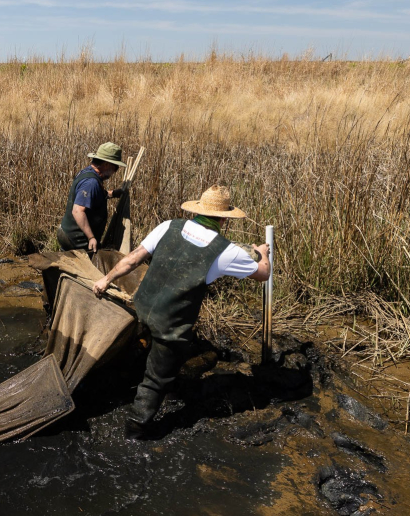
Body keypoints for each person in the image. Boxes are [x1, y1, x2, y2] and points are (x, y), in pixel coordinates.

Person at [92, 185, 270, 439]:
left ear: (197, 211)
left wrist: (106, 280)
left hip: (141, 304)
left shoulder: (169, 226)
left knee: (136, 347)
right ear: (223, 219)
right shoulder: (225, 250)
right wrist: (263, 254)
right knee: (156, 378)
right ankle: (136, 429)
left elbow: (133, 258)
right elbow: (263, 274)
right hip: (171, 322)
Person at [57, 142, 127, 253]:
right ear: (106, 164)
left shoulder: (87, 173)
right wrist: (91, 238)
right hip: (76, 238)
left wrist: (112, 194)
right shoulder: (91, 183)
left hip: (67, 232)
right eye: (115, 167)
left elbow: (94, 196)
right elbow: (77, 211)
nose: (115, 171)